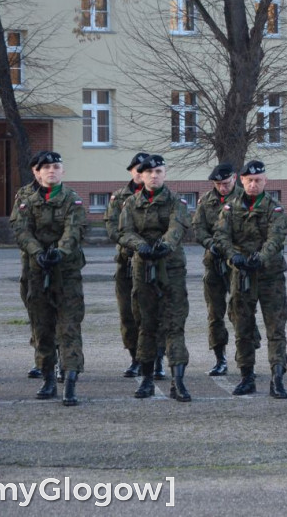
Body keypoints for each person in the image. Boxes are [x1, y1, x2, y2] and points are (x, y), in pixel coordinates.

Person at [13, 151, 87, 406]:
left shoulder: (72, 199)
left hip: (65, 273)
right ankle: (47, 377)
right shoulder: (25, 200)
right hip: (36, 271)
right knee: (42, 328)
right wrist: (37, 252)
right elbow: (21, 230)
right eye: (46, 168)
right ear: (36, 172)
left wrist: (60, 252)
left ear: (62, 171)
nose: (51, 171)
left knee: (69, 327)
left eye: (56, 166)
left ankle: (70, 381)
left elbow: (74, 230)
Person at [118, 155, 192, 402]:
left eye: (159, 171)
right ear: (142, 175)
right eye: (149, 172)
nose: (154, 176)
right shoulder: (131, 203)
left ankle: (178, 382)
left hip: (170, 268)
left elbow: (177, 227)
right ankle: (147, 379)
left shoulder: (176, 202)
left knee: (174, 324)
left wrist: (164, 245)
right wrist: (140, 246)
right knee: (146, 325)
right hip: (143, 268)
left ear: (164, 174)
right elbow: (124, 231)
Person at [214, 160, 287, 399]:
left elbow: (276, 238)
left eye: (258, 180)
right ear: (242, 181)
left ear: (265, 181)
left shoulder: (275, 208)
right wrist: (233, 255)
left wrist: (261, 257)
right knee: (243, 327)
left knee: (275, 328)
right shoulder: (230, 209)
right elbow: (221, 236)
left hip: (269, 275)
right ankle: (247, 376)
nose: (254, 184)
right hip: (242, 275)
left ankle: (277, 378)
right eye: (250, 181)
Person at [192, 163, 242, 377]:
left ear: (235, 178)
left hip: (237, 262)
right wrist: (209, 242)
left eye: (226, 183)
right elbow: (198, 228)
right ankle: (220, 358)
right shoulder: (206, 201)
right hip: (213, 262)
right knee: (215, 313)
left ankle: (244, 357)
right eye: (218, 184)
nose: (222, 187)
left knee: (240, 311)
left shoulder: (243, 198)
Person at [104, 152, 150, 379]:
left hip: (153, 263)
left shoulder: (163, 196)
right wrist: (133, 243)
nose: (142, 173)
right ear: (132, 172)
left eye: (146, 169)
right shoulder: (119, 197)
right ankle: (135, 358)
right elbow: (113, 228)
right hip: (127, 262)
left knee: (152, 313)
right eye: (138, 169)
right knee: (128, 314)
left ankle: (154, 359)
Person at [10, 152, 46, 380]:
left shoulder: (65, 195)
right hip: (31, 263)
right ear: (34, 170)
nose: (44, 171)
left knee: (58, 312)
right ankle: (41, 358)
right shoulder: (23, 193)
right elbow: (18, 225)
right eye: (39, 168)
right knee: (35, 310)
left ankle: (60, 358)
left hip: (57, 263)